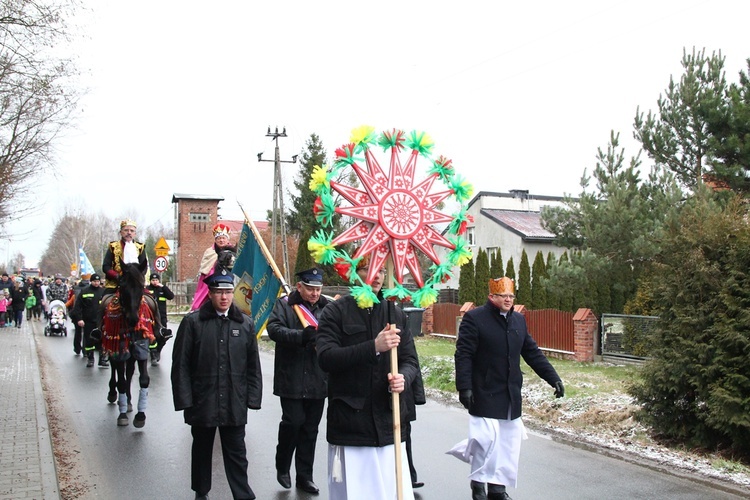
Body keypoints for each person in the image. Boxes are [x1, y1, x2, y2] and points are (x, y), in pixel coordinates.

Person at [315, 255, 420, 500]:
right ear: (354, 272)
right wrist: (373, 346)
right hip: (352, 424)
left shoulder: (394, 312)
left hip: (389, 421)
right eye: (368, 268)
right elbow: (326, 358)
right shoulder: (335, 311)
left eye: (382, 270)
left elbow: (410, 360)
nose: (377, 274)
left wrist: (403, 377)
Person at [451, 277, 565, 500]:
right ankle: (478, 482)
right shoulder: (475, 319)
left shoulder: (519, 321)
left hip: (510, 392)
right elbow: (463, 354)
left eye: (511, 296)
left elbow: (532, 352)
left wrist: (553, 378)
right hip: (483, 390)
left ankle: (497, 488)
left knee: (507, 444)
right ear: (492, 297)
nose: (508, 299)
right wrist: (464, 387)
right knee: (484, 441)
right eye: (504, 296)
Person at [171, 268, 262, 500]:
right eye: (219, 292)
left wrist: (252, 398)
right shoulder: (193, 323)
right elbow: (180, 364)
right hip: (203, 401)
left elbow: (253, 366)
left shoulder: (244, 324)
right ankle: (201, 491)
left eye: (228, 292)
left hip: (234, 401)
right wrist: (185, 400)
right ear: (209, 294)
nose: (224, 297)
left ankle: (243, 495)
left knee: (237, 453)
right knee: (202, 450)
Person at [267, 267, 330, 495]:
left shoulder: (327, 307)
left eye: (318, 289)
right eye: (310, 289)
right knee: (293, 422)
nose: (314, 293)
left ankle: (305, 476)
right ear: (299, 286)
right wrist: (300, 337)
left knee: (310, 429)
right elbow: (273, 330)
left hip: (317, 377)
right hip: (291, 376)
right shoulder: (285, 305)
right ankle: (283, 464)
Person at [191, 222, 236, 310]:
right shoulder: (209, 252)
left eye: (223, 238)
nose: (221, 240)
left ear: (227, 240)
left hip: (229, 281)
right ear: (215, 240)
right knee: (199, 305)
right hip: (211, 281)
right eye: (219, 238)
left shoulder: (233, 253)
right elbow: (205, 270)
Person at [102, 219, 148, 296]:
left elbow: (144, 267)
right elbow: (106, 266)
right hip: (115, 284)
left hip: (136, 284)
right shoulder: (113, 246)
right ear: (121, 232)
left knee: (152, 302)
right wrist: (117, 276)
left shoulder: (140, 247)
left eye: (132, 231)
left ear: (135, 234)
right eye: (126, 230)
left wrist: (137, 277)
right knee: (103, 302)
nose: (129, 233)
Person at [70, 274, 107, 368]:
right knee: (89, 340)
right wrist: (79, 319)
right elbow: (78, 307)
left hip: (101, 321)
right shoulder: (85, 291)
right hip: (88, 320)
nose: (96, 283)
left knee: (102, 340)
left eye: (98, 281)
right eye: (94, 281)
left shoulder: (103, 292)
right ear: (91, 281)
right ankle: (90, 359)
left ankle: (102, 359)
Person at [145, 272, 175, 366]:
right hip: (150, 317)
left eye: (156, 280)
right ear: (150, 281)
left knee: (163, 336)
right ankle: (153, 354)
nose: (155, 282)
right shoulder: (147, 290)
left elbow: (171, 296)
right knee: (152, 335)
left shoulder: (162, 289)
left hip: (162, 317)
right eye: (153, 280)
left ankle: (158, 350)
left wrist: (164, 287)